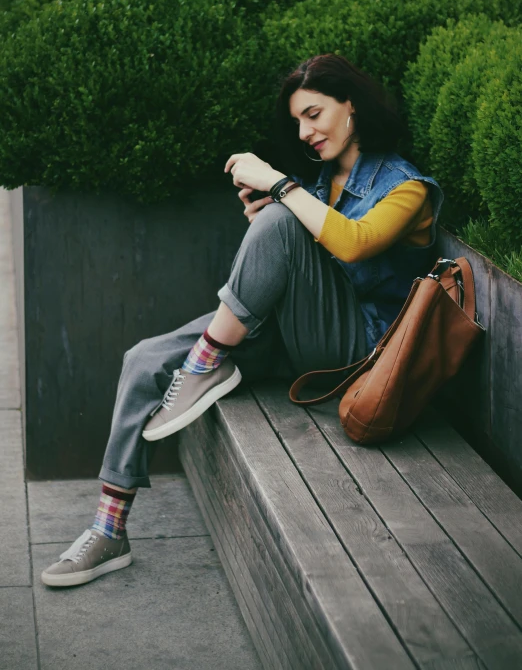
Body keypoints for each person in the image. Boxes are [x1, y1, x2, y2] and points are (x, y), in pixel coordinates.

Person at [41, 54, 443, 587]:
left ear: (352, 106)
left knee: (278, 219)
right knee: (144, 359)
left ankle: (206, 362)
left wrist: (280, 193)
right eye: (299, 121)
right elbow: (302, 248)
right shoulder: (324, 181)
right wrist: (271, 224)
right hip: (296, 331)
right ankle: (108, 528)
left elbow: (355, 244)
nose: (305, 132)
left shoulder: (408, 187)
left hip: (356, 352)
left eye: (315, 114)